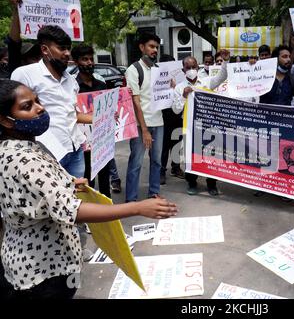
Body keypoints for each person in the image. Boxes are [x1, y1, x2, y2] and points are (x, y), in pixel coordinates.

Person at [0, 80, 178, 299]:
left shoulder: (19, 146)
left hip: (34, 263)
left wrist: (66, 183)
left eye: (37, 101)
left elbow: (30, 191)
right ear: (5, 120)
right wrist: (137, 207)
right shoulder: (24, 159)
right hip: (43, 271)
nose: (40, 108)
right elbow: (71, 210)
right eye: (27, 106)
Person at [11, 25, 90, 178]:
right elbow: (15, 116)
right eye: (62, 48)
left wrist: (99, 117)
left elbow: (71, 114)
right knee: (51, 200)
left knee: (77, 198)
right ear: (45, 50)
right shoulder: (25, 75)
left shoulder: (71, 80)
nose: (67, 53)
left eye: (68, 48)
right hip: (47, 154)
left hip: (75, 150)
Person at [172, 51, 230, 196]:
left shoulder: (207, 82)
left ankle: (212, 184)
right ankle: (192, 182)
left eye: (194, 66)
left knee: (211, 156)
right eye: (188, 67)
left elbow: (222, 77)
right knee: (191, 157)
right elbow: (175, 110)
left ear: (198, 67)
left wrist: (225, 61)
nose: (191, 70)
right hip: (189, 128)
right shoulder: (179, 88)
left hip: (207, 126)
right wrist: (184, 96)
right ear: (183, 70)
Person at [125, 32, 164, 202]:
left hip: (159, 122)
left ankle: (153, 192)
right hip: (141, 126)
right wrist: (145, 130)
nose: (155, 50)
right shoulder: (134, 70)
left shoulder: (159, 70)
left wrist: (171, 87)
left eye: (157, 47)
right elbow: (136, 102)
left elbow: (164, 96)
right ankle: (131, 199)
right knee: (136, 163)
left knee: (157, 161)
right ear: (142, 48)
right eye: (151, 46)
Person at [71, 44, 112, 198]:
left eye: (91, 59)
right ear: (76, 62)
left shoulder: (101, 85)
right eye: (84, 59)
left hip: (103, 140)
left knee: (104, 178)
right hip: (83, 143)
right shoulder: (73, 88)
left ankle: (108, 212)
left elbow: (108, 110)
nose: (89, 62)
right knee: (88, 180)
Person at [159, 54, 184, 185]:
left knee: (177, 144)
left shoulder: (179, 80)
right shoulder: (157, 82)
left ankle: (176, 167)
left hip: (177, 117)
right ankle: (161, 171)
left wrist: (175, 88)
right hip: (163, 119)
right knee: (163, 146)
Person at [6, 0, 41, 76]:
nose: (38, 62)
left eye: (39, 57)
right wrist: (17, 9)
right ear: (23, 61)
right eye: (34, 58)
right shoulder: (17, 73)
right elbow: (13, 42)